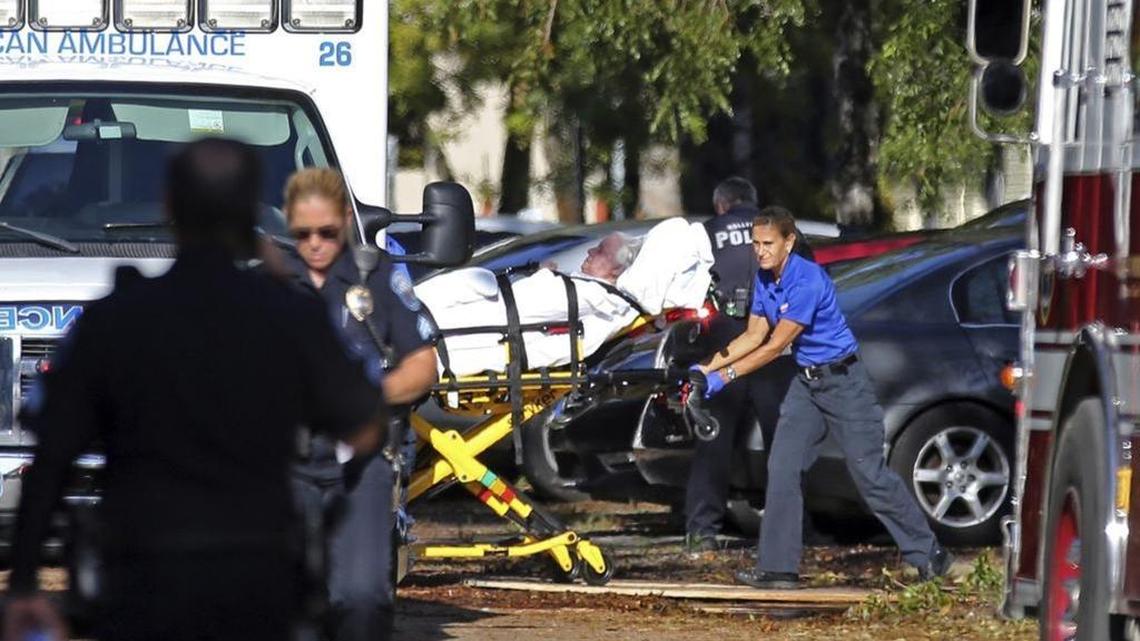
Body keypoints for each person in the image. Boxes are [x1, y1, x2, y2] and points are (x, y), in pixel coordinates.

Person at [3, 138, 386, 641]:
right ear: (253, 212)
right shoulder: (290, 319)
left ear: (168, 207)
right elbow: (364, 426)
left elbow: (51, 458)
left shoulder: (115, 321)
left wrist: (26, 582)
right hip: (258, 576)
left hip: (142, 576)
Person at [693, 206, 952, 589]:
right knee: (782, 466)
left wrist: (725, 376)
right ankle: (778, 569)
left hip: (844, 382)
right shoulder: (765, 280)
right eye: (756, 244)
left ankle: (930, 554)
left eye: (768, 244)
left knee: (869, 474)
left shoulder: (807, 280)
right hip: (807, 384)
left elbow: (774, 345)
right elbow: (751, 336)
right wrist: (704, 369)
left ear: (789, 242)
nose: (760, 251)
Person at [282, 168, 437, 641]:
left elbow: (423, 365)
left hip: (358, 456)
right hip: (281, 462)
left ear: (346, 221)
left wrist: (366, 396)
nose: (314, 244)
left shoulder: (376, 278)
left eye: (327, 232)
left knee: (362, 598)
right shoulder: (267, 284)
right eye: (302, 233)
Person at [684, 180, 812, 555]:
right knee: (784, 444)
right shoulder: (783, 232)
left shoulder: (706, 234)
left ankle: (701, 532)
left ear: (721, 205)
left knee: (714, 441)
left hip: (724, 341)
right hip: (776, 343)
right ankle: (795, 531)